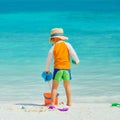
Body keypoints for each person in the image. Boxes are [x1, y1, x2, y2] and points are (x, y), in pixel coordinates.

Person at [45, 28, 80, 106]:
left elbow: (49, 59)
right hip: (67, 69)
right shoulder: (67, 45)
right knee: (67, 86)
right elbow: (73, 53)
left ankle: (52, 103)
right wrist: (77, 61)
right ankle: (69, 102)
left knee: (54, 87)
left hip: (58, 70)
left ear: (54, 38)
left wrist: (47, 69)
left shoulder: (53, 47)